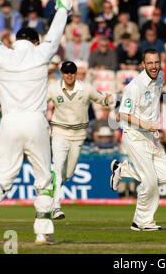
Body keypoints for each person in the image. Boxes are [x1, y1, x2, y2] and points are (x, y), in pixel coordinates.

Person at [0, 0, 73, 245]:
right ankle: (42, 232)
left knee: (2, 177)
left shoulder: (2, 55)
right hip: (35, 121)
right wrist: (62, 0)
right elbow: (58, 28)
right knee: (44, 179)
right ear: (35, 41)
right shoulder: (41, 53)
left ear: (16, 40)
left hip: (9, 122)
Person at [110, 49, 166, 231]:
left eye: (156, 62)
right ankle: (141, 221)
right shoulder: (134, 86)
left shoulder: (160, 77)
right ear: (143, 65)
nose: (154, 66)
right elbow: (122, 114)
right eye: (150, 63)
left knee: (164, 177)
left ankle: (122, 170)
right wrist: (146, 125)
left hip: (151, 136)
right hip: (135, 135)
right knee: (150, 181)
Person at [48, 61, 112, 219]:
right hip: (59, 132)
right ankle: (56, 207)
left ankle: (48, 189)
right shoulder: (53, 88)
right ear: (61, 74)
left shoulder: (86, 88)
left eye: (72, 72)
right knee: (57, 166)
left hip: (78, 136)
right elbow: (40, 103)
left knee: (67, 173)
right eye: (66, 72)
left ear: (76, 74)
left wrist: (108, 99)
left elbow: (101, 99)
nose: (69, 75)